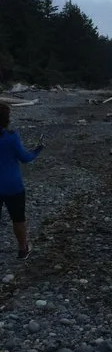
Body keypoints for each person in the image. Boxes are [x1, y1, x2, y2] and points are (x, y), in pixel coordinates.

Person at [1, 103, 43, 259]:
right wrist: (37, 150)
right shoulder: (11, 136)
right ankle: (22, 249)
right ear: (6, 119)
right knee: (18, 219)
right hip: (13, 186)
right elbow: (25, 158)